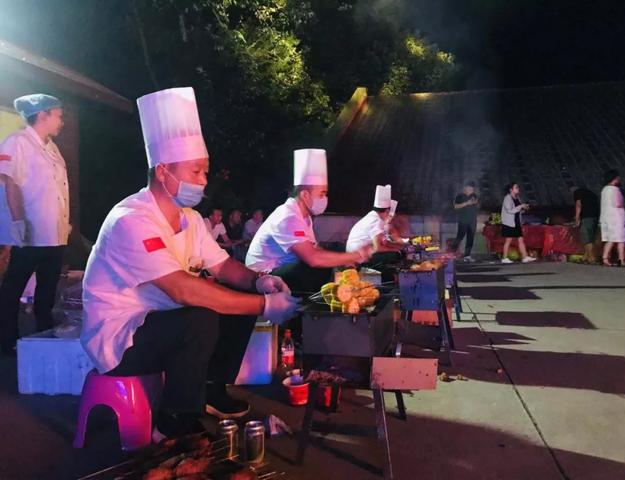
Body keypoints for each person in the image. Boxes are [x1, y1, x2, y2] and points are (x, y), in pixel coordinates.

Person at [80, 87, 300, 440]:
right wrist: (264, 306)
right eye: (196, 170)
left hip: (160, 319)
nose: (203, 180)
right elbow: (182, 290)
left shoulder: (190, 219)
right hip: (120, 338)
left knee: (232, 301)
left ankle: (211, 387)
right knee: (200, 316)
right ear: (163, 171)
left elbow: (225, 267)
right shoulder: (131, 220)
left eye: (205, 171)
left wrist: (259, 283)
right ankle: (174, 420)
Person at [245, 149, 373, 293]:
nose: (325, 199)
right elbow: (312, 258)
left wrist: (344, 260)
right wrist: (356, 255)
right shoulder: (288, 217)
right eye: (322, 194)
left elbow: (315, 248)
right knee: (312, 265)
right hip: (262, 276)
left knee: (329, 257)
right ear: (305, 195)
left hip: (282, 268)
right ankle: (302, 302)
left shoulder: (305, 217)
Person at [0, 94, 70, 355]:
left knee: (47, 291)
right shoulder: (17, 141)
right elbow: (11, 183)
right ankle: (8, 341)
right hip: (30, 232)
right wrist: (18, 222)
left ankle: (44, 337)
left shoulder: (52, 147)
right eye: (58, 115)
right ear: (42, 115)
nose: (61, 121)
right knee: (13, 289)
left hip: (54, 233)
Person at [346, 185, 403, 280]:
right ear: (387, 211)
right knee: (395, 255)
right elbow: (378, 248)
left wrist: (398, 247)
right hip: (357, 258)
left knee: (395, 254)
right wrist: (397, 250)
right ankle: (374, 276)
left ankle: (381, 275)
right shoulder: (377, 220)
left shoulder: (373, 217)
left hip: (357, 254)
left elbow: (384, 243)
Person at [501, 182, 536, 264]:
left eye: (518, 187)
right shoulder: (507, 198)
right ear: (511, 190)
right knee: (508, 240)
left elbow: (517, 210)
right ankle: (504, 258)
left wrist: (524, 209)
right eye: (516, 187)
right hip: (509, 223)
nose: (518, 189)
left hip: (516, 222)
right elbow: (510, 210)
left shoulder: (517, 198)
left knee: (520, 239)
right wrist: (521, 206)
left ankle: (525, 257)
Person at [600, 169, 625, 266]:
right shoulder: (615, 189)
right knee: (621, 239)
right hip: (617, 218)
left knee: (610, 239)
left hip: (607, 217)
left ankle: (605, 258)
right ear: (615, 178)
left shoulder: (604, 190)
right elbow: (618, 203)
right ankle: (621, 260)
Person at [570, 185, 599, 264]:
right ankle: (585, 257)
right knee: (591, 237)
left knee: (587, 238)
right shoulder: (591, 194)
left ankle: (591, 258)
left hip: (586, 217)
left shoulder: (577, 192)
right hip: (595, 216)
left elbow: (578, 205)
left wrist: (576, 219)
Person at [452, 181, 479, 262]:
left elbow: (476, 202)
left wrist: (475, 202)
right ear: (465, 188)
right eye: (470, 188)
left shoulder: (474, 195)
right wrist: (467, 203)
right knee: (460, 237)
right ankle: (451, 253)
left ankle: (467, 255)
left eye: (473, 189)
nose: (472, 190)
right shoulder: (460, 196)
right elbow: (456, 206)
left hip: (472, 221)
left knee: (470, 239)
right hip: (463, 221)